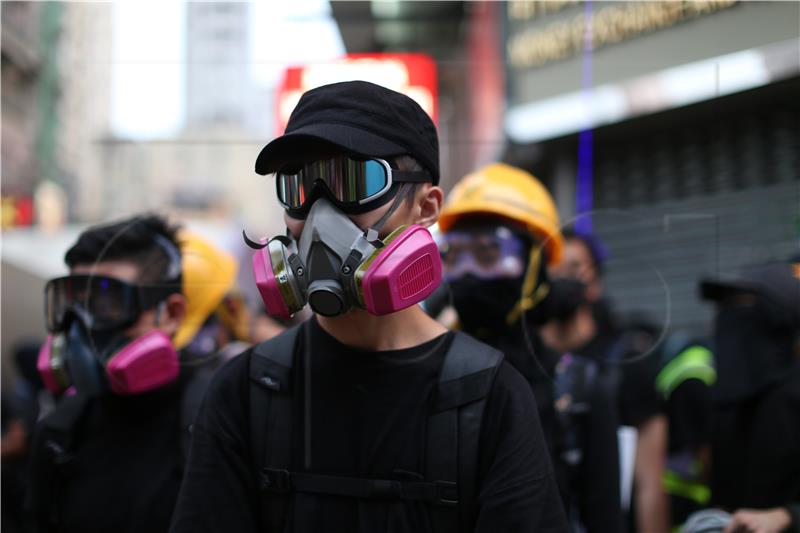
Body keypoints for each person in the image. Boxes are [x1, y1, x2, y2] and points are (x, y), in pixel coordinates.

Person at [170, 81, 567, 533]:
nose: (319, 214)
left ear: (426, 207)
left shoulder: (492, 398)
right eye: (299, 187)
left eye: (354, 181)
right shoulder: (245, 391)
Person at [436, 163, 622, 532]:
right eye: (454, 254)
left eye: (489, 252)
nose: (469, 271)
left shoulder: (577, 388)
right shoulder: (424, 376)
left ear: (534, 265)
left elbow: (604, 518)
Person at [26, 214, 238, 533]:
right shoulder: (59, 433)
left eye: (107, 301)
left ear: (171, 313)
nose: (83, 326)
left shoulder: (219, 425)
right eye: (71, 303)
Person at [546, 229, 669, 533]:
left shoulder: (628, 363)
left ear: (595, 283)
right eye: (554, 268)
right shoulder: (523, 363)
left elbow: (649, 483)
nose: (562, 277)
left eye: (574, 267)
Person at [699, 262, 800, 533]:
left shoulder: (793, 399)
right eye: (725, 307)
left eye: (743, 305)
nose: (729, 317)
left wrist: (787, 516)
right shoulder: (727, 404)